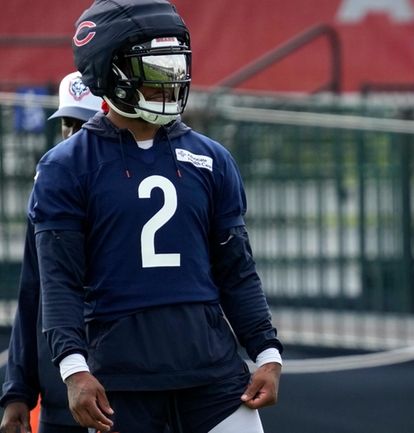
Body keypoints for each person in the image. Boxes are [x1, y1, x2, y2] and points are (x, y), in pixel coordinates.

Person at [28, 1, 283, 432]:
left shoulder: (211, 158)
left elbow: (237, 270)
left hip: (212, 372)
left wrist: (267, 353)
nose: (172, 80)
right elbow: (59, 283)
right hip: (120, 379)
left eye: (176, 66)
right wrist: (73, 368)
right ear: (108, 71)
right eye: (155, 68)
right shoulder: (65, 167)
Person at [0, 71, 102, 433]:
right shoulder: (48, 190)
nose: (72, 138)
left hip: (121, 397)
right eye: (67, 126)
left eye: (85, 126)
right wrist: (17, 393)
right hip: (60, 402)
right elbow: (32, 292)